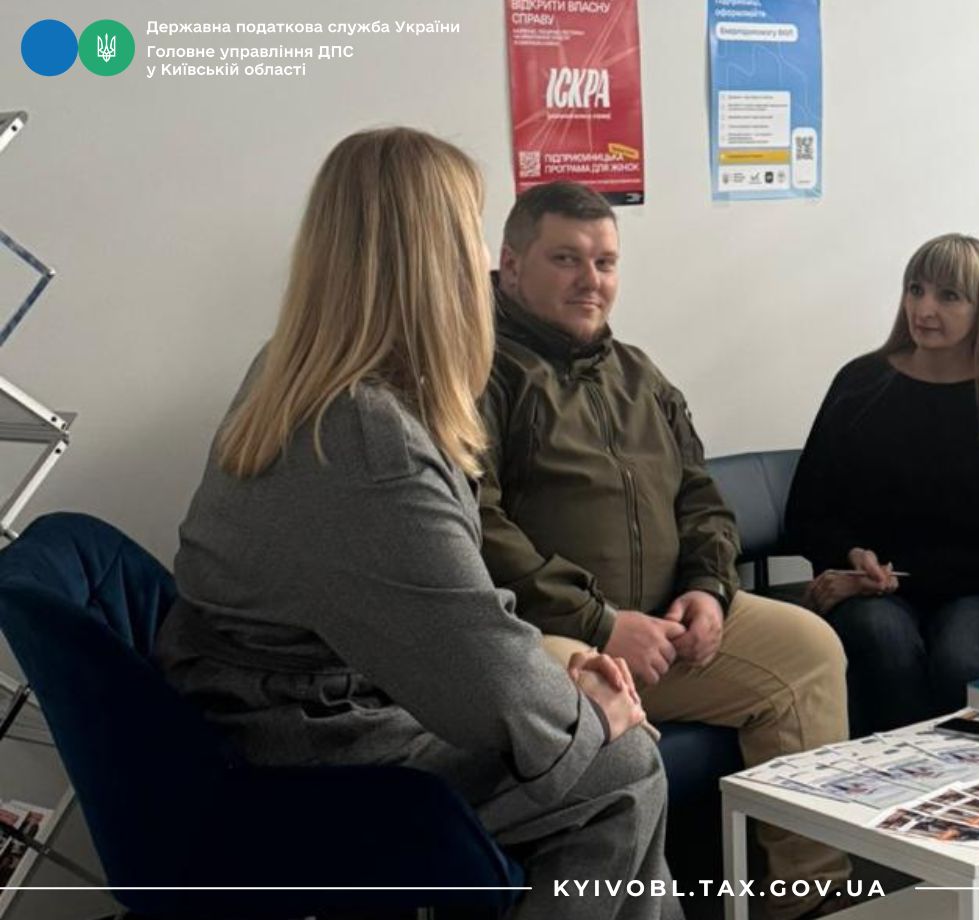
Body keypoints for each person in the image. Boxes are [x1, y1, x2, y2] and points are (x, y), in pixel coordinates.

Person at [153, 130, 680, 920]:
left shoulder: (291, 373)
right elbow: (482, 677)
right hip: (299, 744)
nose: (486, 260)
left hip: (250, 709)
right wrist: (587, 720)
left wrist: (559, 691)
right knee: (622, 767)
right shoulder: (365, 436)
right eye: (473, 233)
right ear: (436, 259)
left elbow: (450, 627)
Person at [478, 181, 852, 920]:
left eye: (606, 262)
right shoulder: (480, 373)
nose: (591, 281)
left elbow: (701, 497)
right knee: (589, 692)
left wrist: (709, 589)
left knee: (808, 651)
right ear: (512, 265)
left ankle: (807, 901)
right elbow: (477, 528)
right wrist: (602, 623)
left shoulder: (640, 375)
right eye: (566, 259)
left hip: (664, 628)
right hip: (550, 639)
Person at [783, 233, 979, 736]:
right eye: (916, 290)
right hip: (869, 589)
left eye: (948, 296)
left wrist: (896, 576)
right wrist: (851, 557)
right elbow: (807, 509)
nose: (924, 309)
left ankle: (970, 778)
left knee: (960, 658)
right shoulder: (860, 383)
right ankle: (898, 777)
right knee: (882, 639)